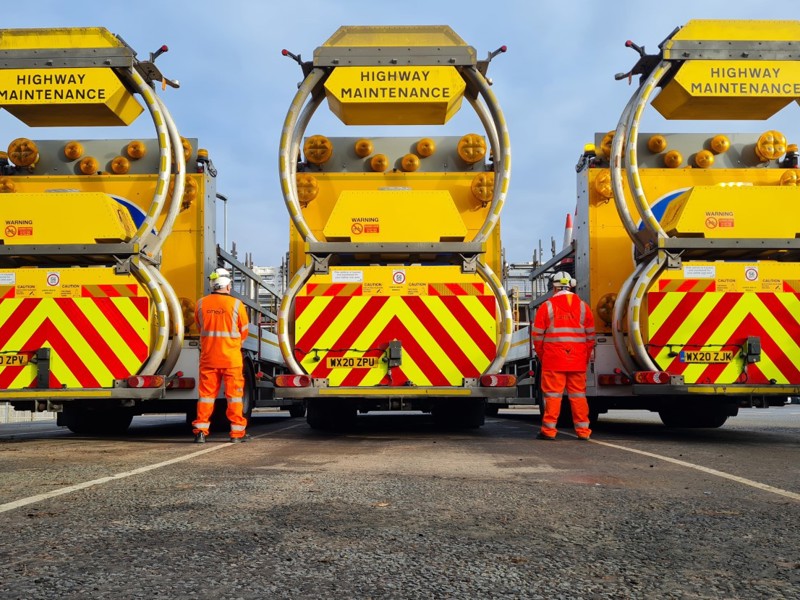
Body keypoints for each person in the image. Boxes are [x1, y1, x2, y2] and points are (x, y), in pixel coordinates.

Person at [531, 271, 596, 441]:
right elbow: (590, 337)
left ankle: (549, 431)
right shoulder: (583, 307)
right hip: (577, 360)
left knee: (552, 396)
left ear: (554, 287)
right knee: (578, 396)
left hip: (553, 359)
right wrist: (585, 356)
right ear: (571, 286)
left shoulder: (547, 307)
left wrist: (543, 356)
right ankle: (583, 431)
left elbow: (537, 336)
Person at [192, 267, 250, 443]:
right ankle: (236, 434)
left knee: (206, 396)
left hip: (209, 357)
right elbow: (244, 331)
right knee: (234, 396)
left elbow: (199, 327)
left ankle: (201, 431)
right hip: (231, 359)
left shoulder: (201, 303)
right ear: (228, 285)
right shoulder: (237, 305)